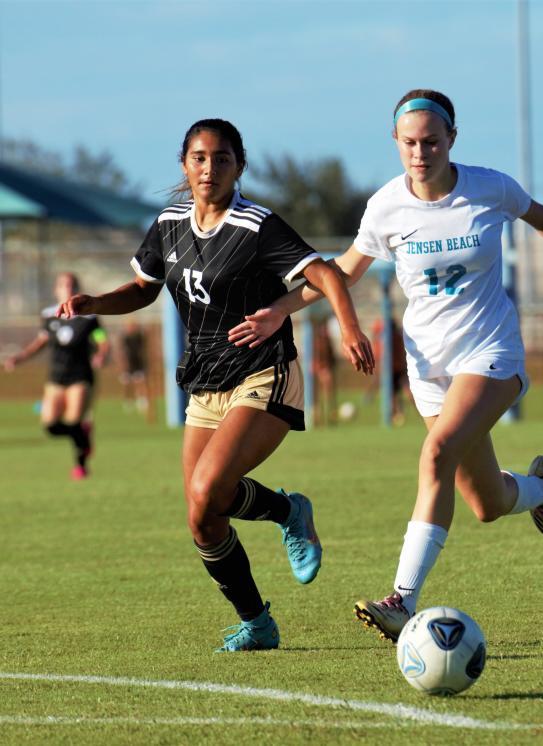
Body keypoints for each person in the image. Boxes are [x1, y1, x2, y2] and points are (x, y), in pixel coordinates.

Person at [228, 89, 543, 642]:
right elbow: (345, 271)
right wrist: (279, 311)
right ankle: (541, 490)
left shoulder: (488, 186)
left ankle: (401, 599)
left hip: (491, 353)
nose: (420, 153)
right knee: (486, 503)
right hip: (430, 368)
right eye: (409, 143)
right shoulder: (384, 207)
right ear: (396, 143)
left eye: (431, 141)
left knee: (437, 452)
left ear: (452, 139)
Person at [57, 119, 374, 652]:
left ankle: (290, 514)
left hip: (262, 371)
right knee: (203, 517)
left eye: (222, 158)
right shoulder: (169, 223)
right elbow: (142, 288)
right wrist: (97, 303)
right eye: (200, 158)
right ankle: (258, 619)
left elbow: (325, 274)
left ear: (238, 166)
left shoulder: (256, 225)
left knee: (209, 488)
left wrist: (349, 327)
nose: (210, 168)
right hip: (205, 382)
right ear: (184, 164)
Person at [4, 272, 108, 480]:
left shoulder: (89, 318)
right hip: (56, 376)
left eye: (71, 285)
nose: (67, 289)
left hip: (80, 376)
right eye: (63, 285)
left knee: (73, 419)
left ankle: (80, 465)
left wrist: (102, 354)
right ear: (56, 290)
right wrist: (20, 357)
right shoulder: (49, 315)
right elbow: (41, 341)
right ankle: (83, 435)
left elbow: (101, 339)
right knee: (51, 426)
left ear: (77, 289)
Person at [368, 314, 412, 425]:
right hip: (399, 367)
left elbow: (382, 354)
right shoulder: (396, 336)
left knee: (394, 393)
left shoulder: (389, 338)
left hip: (393, 368)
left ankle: (396, 414)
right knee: (399, 392)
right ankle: (398, 413)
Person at [117, 319, 153, 418]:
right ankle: (127, 401)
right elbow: (122, 352)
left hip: (138, 364)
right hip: (128, 365)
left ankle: (142, 402)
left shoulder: (139, 337)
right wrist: (122, 365)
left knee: (141, 383)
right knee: (127, 385)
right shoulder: (125, 338)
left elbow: (145, 348)